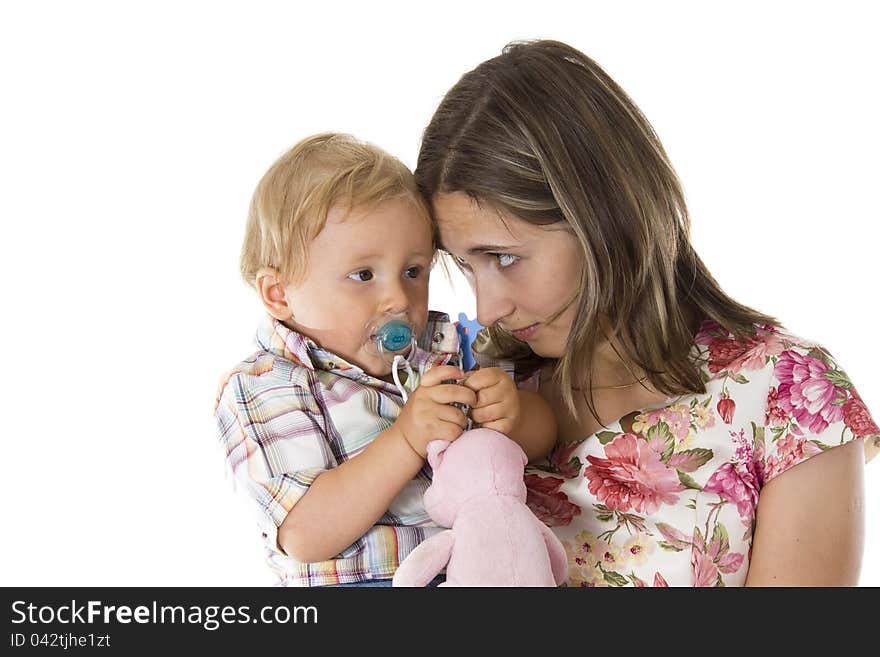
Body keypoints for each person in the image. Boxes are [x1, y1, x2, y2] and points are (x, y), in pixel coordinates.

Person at [415, 40, 879, 586]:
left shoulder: (784, 397)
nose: (487, 308)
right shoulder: (463, 387)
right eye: (466, 267)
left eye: (506, 258)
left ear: (603, 216)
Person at [214, 133, 556, 586]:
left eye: (413, 272)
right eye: (363, 275)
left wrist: (511, 412)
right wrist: (406, 440)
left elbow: (543, 438)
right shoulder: (266, 386)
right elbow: (304, 532)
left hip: (469, 564)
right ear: (279, 295)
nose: (398, 298)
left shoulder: (443, 347)